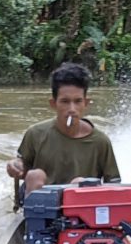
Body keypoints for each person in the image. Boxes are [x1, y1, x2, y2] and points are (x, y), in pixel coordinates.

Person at [6, 63, 121, 196]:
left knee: (79, 182)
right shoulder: (36, 134)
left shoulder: (100, 142)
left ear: (86, 103)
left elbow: (113, 183)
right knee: (35, 175)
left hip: (79, 204)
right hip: (41, 204)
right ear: (53, 104)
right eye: (65, 102)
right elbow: (23, 167)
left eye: (78, 101)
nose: (72, 109)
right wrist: (15, 165)